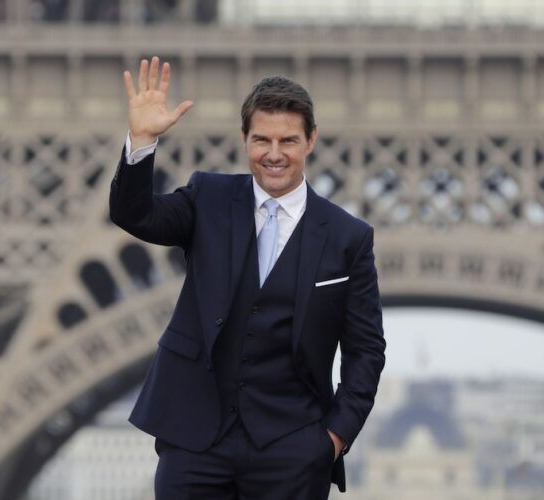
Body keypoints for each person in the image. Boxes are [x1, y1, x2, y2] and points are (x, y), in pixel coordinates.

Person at [110, 56, 385, 499]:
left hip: (293, 448)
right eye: (262, 140)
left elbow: (366, 349)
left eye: (288, 141)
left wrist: (333, 439)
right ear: (244, 139)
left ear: (310, 140)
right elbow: (134, 214)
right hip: (195, 441)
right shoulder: (208, 197)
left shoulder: (348, 238)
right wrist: (142, 141)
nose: (274, 154)